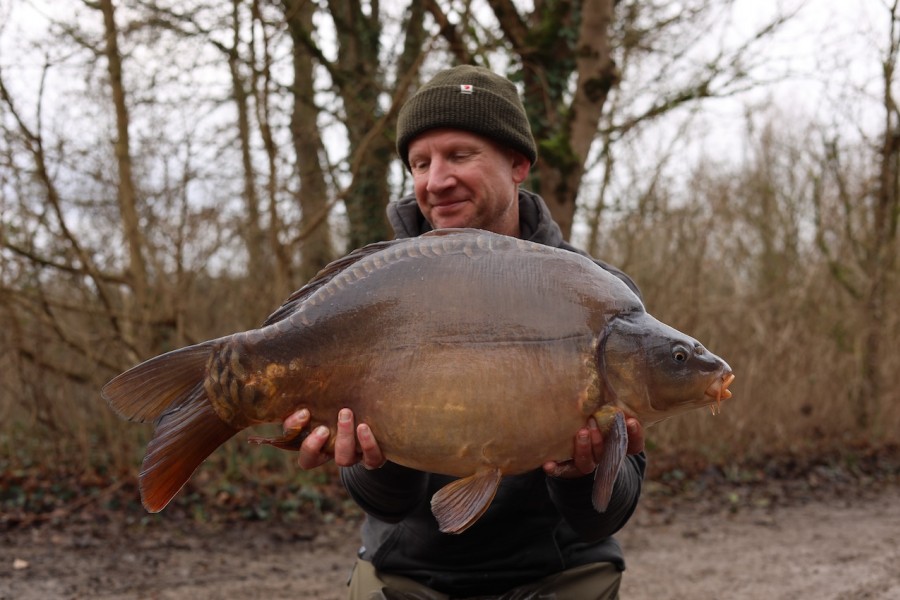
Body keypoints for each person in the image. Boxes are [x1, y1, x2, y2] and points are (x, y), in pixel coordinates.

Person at [283, 64, 647, 600]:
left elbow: (606, 517)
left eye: (460, 155)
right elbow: (385, 506)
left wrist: (579, 475)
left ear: (518, 163)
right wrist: (374, 463)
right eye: (420, 163)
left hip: (558, 573)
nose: (436, 180)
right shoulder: (374, 292)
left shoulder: (600, 298)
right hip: (410, 573)